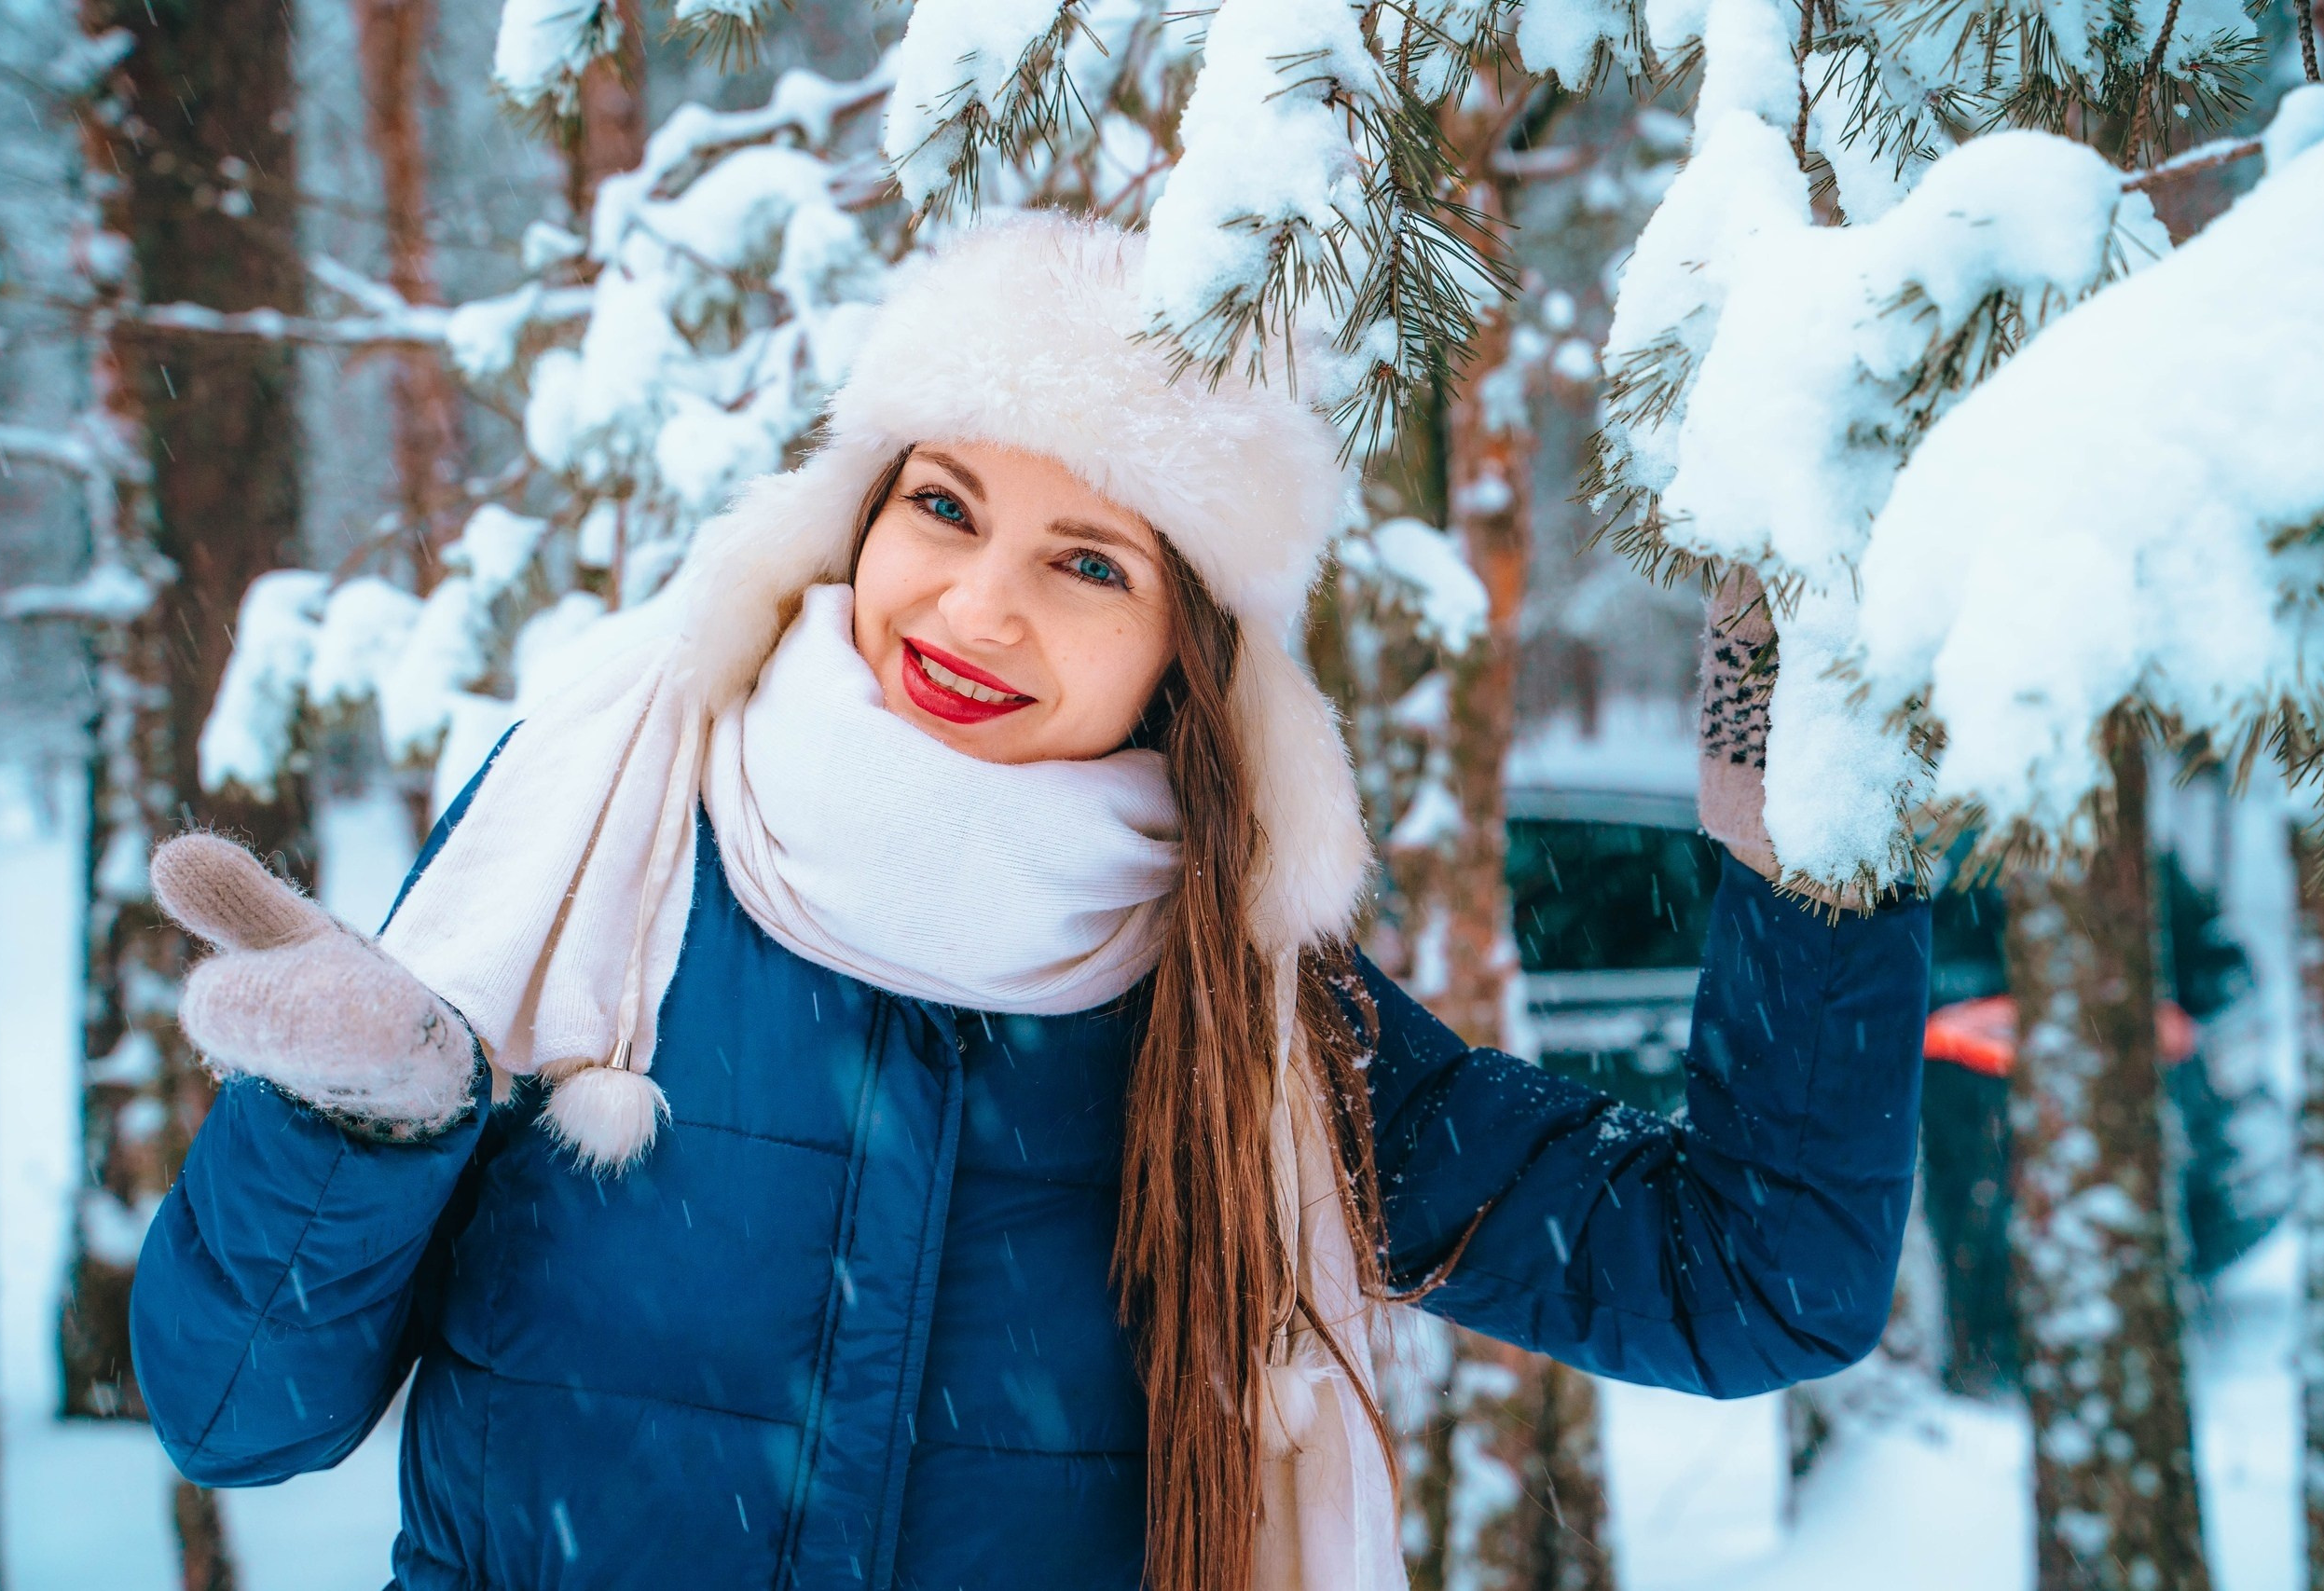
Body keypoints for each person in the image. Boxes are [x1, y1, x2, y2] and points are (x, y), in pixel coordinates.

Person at [128, 217, 1931, 1591]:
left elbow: (1753, 1278)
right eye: (944, 506)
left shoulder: (1256, 1031)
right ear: (857, 517)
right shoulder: (599, 852)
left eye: (1087, 562)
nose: (976, 606)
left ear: (1183, 658)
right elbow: (233, 1416)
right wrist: (352, 1133)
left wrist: (1812, 779)